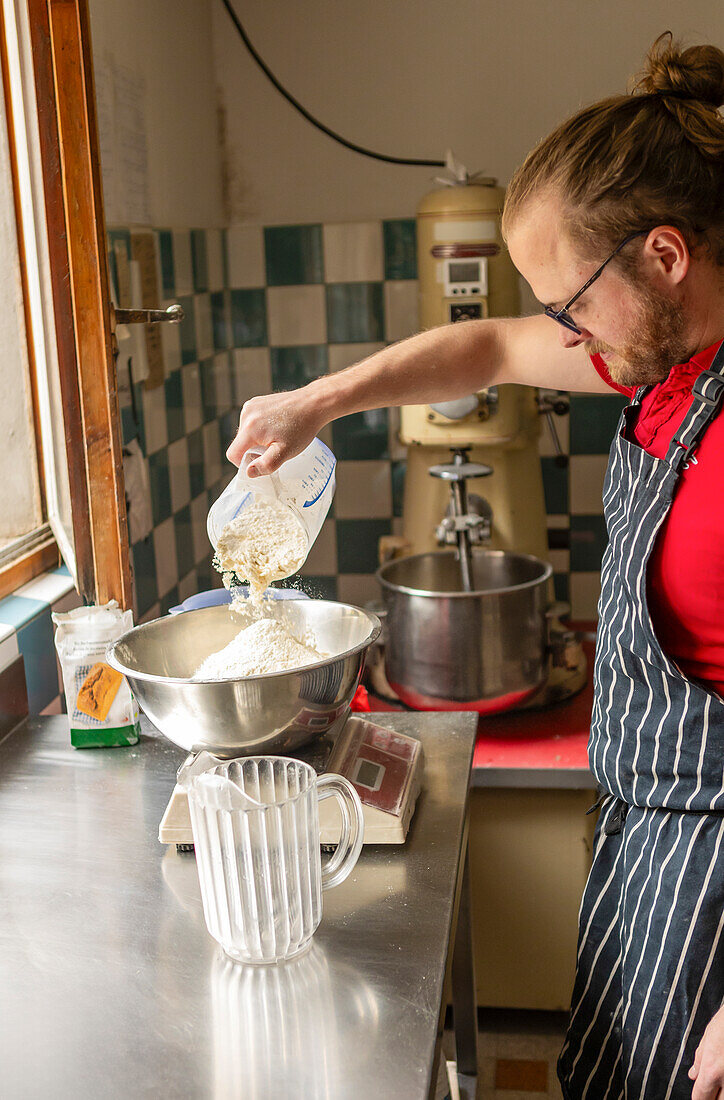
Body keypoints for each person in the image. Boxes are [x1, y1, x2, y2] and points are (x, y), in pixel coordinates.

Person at [227, 33, 724, 1100]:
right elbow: (488, 348)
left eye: (571, 302)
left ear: (664, 255)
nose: (561, 333)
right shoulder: (664, 358)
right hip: (642, 812)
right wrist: (315, 401)